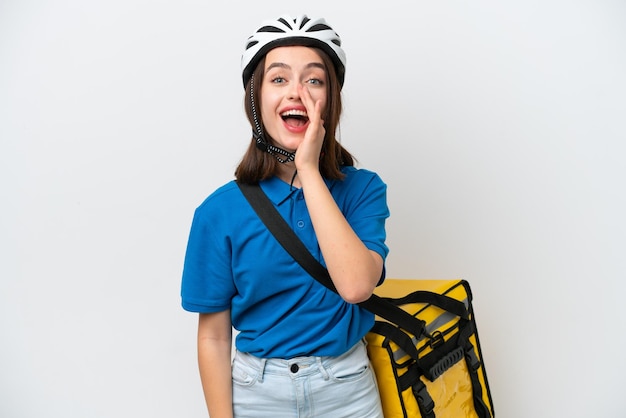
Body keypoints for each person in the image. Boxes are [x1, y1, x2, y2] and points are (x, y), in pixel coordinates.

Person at [181, 14, 389, 418]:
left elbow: (356, 286)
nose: (297, 92)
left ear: (331, 99)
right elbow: (214, 337)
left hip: (346, 389)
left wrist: (308, 169)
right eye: (278, 79)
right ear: (256, 100)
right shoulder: (218, 212)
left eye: (314, 80)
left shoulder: (363, 189)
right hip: (256, 394)